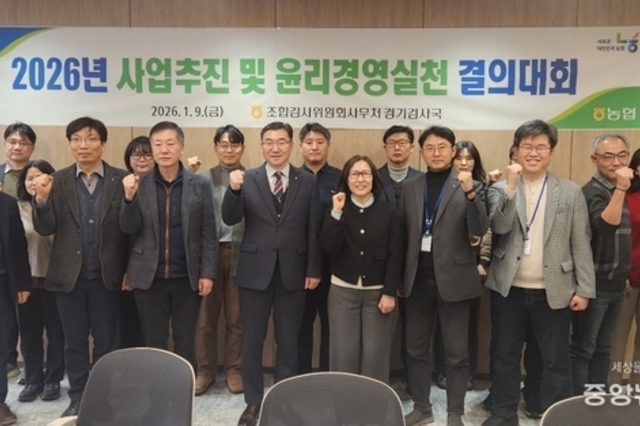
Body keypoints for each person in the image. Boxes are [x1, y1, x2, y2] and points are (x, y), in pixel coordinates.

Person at [482, 120, 595, 426]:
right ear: (516, 151)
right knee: (505, 355)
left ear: (552, 152)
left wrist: (584, 289)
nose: (533, 153)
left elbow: (580, 241)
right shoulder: (499, 189)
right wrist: (510, 187)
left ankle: (556, 415)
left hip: (554, 288)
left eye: (541, 147)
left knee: (555, 360)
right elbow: (499, 227)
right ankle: (503, 414)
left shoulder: (570, 191)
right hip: (509, 287)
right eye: (527, 147)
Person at [222, 121, 322, 426]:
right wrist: (233, 190)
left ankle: (283, 401)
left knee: (288, 340)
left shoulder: (307, 181)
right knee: (252, 339)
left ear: (291, 145)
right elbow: (230, 217)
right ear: (261, 146)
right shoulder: (247, 178)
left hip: (294, 270)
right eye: (269, 142)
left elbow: (313, 228)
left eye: (281, 142)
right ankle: (253, 402)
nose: (275, 148)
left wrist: (313, 268)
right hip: (255, 270)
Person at [32, 116, 129, 417]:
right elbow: (45, 228)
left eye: (90, 138)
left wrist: (128, 269)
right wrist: (42, 200)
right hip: (68, 277)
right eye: (76, 139)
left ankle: (103, 398)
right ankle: (77, 397)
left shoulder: (120, 179)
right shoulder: (56, 180)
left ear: (103, 143)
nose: (83, 145)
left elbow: (129, 229)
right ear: (70, 144)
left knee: (106, 342)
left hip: (106, 276)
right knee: (73, 342)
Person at [400, 126, 487, 426]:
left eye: (442, 147)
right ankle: (422, 408)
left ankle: (455, 414)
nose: (436, 153)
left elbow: (479, 228)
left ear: (453, 151)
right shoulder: (410, 187)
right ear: (421, 152)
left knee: (457, 354)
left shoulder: (469, 185)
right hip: (416, 280)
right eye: (430, 148)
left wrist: (471, 193)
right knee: (415, 349)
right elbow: (403, 234)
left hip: (455, 281)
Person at [120, 121, 216, 368]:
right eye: (158, 144)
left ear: (181, 147)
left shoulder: (200, 184)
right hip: (148, 277)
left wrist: (207, 272)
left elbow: (208, 232)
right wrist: (129, 199)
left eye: (170, 144)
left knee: (185, 341)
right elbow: (128, 228)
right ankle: (155, 387)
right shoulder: (138, 184)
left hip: (187, 276)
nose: (164, 150)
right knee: (154, 341)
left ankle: (183, 386)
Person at [320, 155, 403, 383]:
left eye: (365, 174)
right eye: (354, 174)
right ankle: (343, 403)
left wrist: (389, 292)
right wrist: (336, 213)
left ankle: (372, 403)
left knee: (375, 355)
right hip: (342, 292)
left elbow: (396, 256)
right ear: (346, 180)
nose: (360, 180)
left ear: (374, 179)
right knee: (343, 354)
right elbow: (328, 246)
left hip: (378, 294)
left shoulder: (390, 214)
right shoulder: (337, 210)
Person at [571, 134, 632, 394]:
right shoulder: (592, 191)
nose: (617, 162)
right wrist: (621, 189)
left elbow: (619, 241)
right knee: (583, 349)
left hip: (617, 285)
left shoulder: (618, 189)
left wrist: (623, 276)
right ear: (594, 159)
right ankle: (578, 404)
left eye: (622, 155)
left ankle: (597, 401)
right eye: (608, 156)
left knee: (604, 349)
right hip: (593, 286)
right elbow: (606, 227)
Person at [194, 125, 246, 396]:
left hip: (240, 253)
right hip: (210, 255)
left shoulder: (253, 178)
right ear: (215, 147)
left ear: (243, 148)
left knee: (237, 318)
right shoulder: (202, 179)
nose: (229, 150)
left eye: (234, 144)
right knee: (205, 319)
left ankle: (234, 369)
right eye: (224, 144)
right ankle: (205, 370)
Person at [434, 140, 487, 392]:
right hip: (442, 264)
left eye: (469, 158)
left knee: (467, 327)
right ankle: (442, 370)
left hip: (471, 266)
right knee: (441, 327)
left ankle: (467, 373)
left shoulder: (481, 188)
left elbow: (485, 229)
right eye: (459, 158)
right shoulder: (440, 188)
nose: (464, 163)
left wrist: (483, 261)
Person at [378, 124, 422, 400]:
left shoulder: (422, 180)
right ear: (384, 147)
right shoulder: (372, 177)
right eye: (391, 143)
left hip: (415, 265)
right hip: (379, 265)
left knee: (413, 327)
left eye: (403, 142)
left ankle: (410, 380)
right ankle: (378, 380)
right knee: (379, 328)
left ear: (412, 147)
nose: (397, 147)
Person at [16, 160, 65, 403]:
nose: (34, 182)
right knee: (30, 334)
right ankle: (33, 379)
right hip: (26, 281)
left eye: (39, 176)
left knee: (57, 332)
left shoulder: (61, 207)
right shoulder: (15, 209)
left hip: (56, 279)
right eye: (29, 178)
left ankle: (53, 378)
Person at [298, 122, 340, 374]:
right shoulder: (292, 177)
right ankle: (300, 376)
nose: (314, 147)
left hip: (332, 264)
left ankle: (327, 375)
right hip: (298, 265)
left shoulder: (341, 178)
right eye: (309, 142)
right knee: (300, 325)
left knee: (331, 326)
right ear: (300, 146)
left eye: (320, 142)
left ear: (328, 145)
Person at [1, 123, 36, 382]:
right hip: (6, 257)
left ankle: (30, 369)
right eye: (12, 141)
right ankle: (9, 362)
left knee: (27, 316)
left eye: (23, 142)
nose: (17, 146)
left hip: (32, 252)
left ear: (32, 147)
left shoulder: (39, 174)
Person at [119, 136, 153, 349]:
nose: (141, 159)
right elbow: (121, 234)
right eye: (136, 154)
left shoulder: (162, 186)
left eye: (147, 154)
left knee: (151, 329)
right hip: (126, 267)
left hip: (154, 270)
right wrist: (127, 269)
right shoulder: (121, 185)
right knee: (128, 324)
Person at [0, 190, 31, 426]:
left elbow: (19, 246)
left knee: (1, 345)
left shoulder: (7, 203)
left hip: (2, 285)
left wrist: (22, 283)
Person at [610, 147, 640, 387]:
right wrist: (622, 271)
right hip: (628, 276)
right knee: (618, 336)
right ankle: (612, 387)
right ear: (636, 168)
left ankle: (637, 387)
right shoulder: (626, 197)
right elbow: (617, 238)